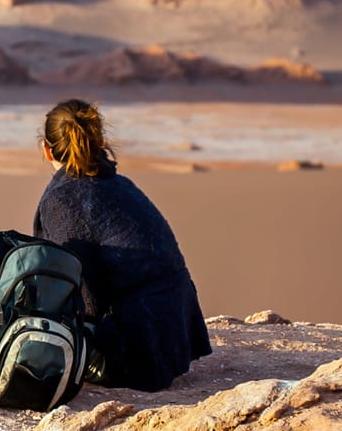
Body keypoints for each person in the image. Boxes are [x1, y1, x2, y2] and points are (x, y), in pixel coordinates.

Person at [32, 98, 212, 391]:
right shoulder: (120, 183)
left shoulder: (62, 199)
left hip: (140, 354)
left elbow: (82, 296)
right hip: (177, 338)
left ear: (46, 149)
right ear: (98, 140)